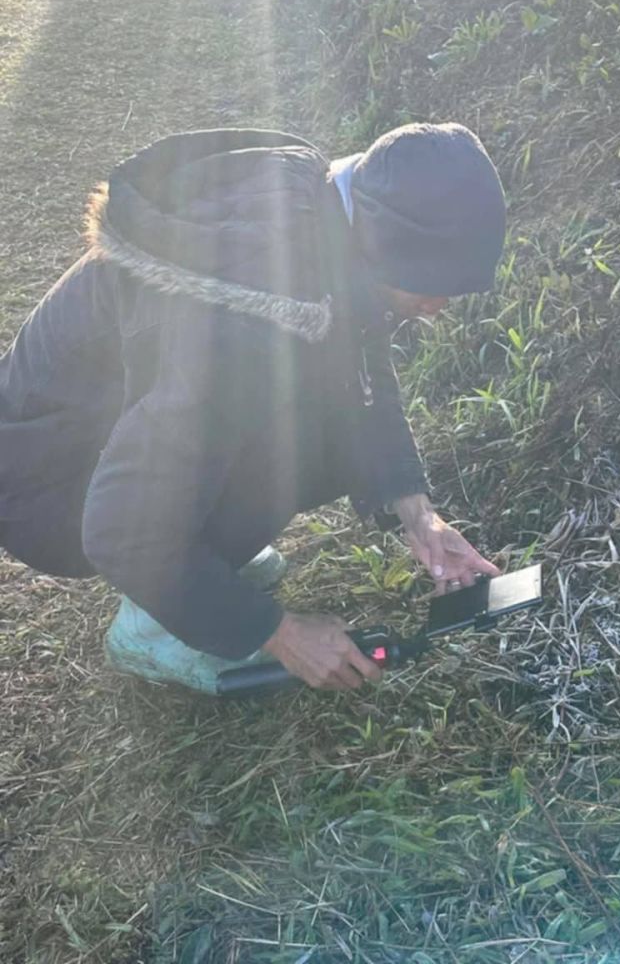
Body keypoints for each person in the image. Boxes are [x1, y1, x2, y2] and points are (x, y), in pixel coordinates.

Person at [0, 123, 507, 693]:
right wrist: (276, 632)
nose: (438, 305)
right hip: (45, 489)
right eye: (431, 283)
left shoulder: (331, 213)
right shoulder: (237, 325)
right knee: (294, 429)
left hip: (105, 436)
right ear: (385, 241)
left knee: (315, 413)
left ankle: (205, 556)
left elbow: (361, 369)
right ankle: (150, 626)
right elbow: (118, 530)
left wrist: (416, 512)